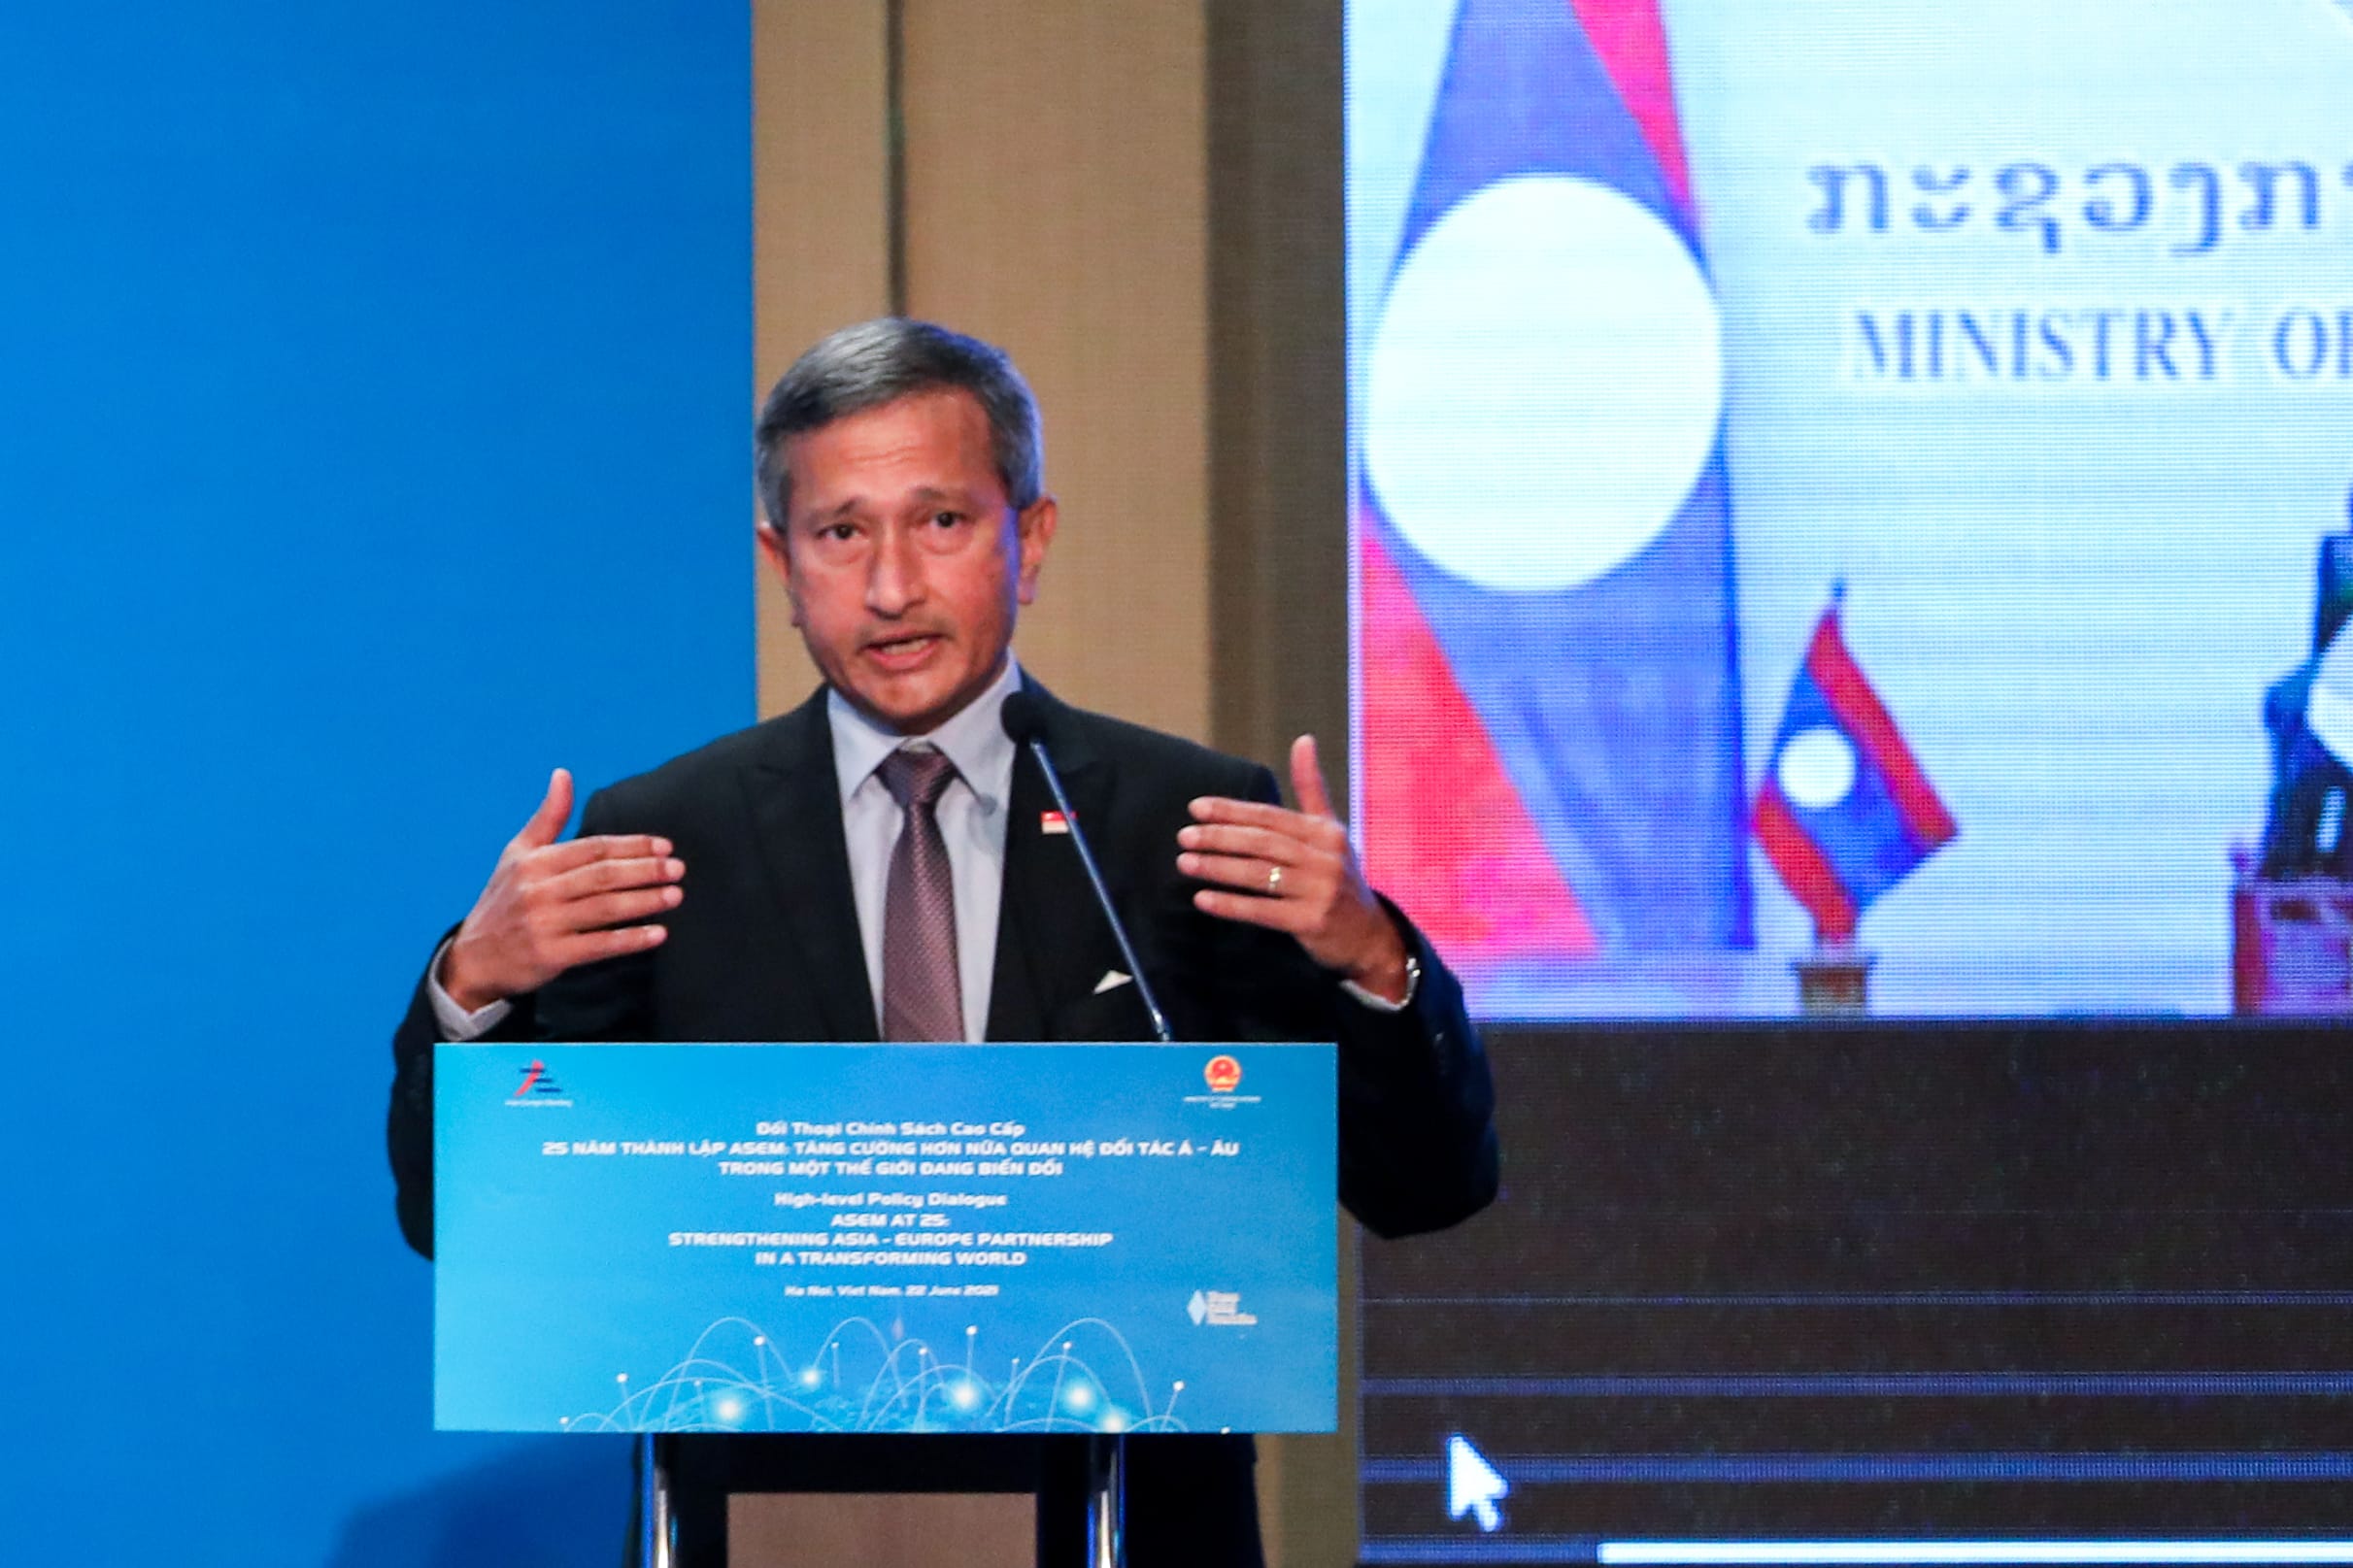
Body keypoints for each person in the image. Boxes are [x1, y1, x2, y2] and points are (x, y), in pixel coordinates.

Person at [387, 317, 1497, 1566]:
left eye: (942, 523)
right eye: (840, 531)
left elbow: (1424, 1187)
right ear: (780, 560)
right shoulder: (666, 840)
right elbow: (470, 1223)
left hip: (1128, 1523)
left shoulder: (1178, 828)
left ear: (1029, 541)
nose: (890, 586)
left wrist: (1370, 961)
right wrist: (471, 986)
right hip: (777, 1526)